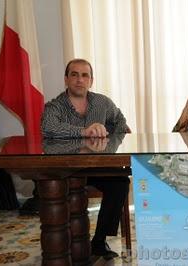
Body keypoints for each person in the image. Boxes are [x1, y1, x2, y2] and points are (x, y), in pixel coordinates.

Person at [40, 58, 130, 260]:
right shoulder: (55, 106)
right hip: (67, 168)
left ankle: (99, 241)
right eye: (74, 74)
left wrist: (113, 133)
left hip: (96, 166)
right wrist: (84, 131)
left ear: (91, 80)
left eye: (84, 75)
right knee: (56, 186)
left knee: (120, 182)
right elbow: (48, 128)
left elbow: (120, 120)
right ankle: (66, 241)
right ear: (66, 79)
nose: (79, 80)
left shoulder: (102, 102)